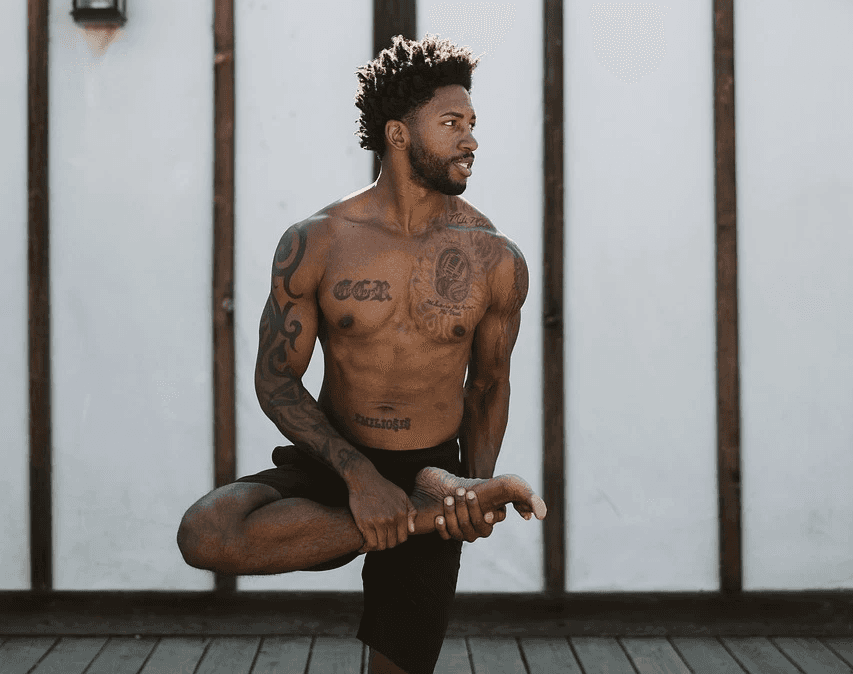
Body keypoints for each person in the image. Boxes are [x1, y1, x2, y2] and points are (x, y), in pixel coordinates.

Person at [177, 34, 546, 674]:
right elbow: (277, 381)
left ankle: (434, 512)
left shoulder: (495, 259)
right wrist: (361, 479)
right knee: (207, 532)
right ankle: (421, 518)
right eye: (452, 123)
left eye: (473, 123)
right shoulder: (316, 243)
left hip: (435, 466)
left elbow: (488, 385)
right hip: (334, 456)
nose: (471, 140)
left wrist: (473, 488)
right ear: (398, 134)